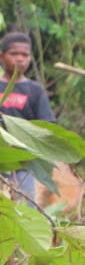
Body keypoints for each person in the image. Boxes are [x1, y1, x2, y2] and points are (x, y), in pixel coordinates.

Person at [1, 31, 56, 204]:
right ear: (1, 57)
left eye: (25, 55)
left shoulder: (35, 90)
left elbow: (46, 126)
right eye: (14, 54)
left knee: (25, 209)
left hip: (24, 164)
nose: (20, 59)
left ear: (31, 58)